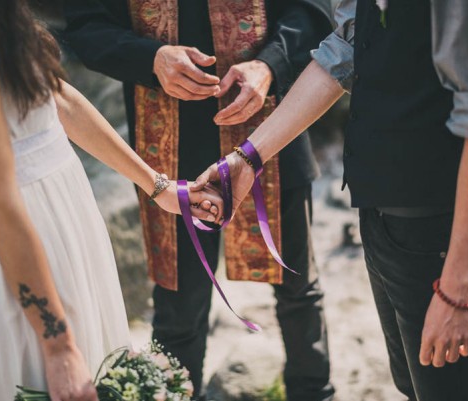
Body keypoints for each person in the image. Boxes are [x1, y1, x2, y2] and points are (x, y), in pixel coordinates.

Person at [193, 0, 468, 400]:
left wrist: (457, 290)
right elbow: (346, 48)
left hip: (442, 229)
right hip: (381, 217)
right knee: (413, 386)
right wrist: (249, 157)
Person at [0, 0, 222, 400]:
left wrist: (158, 186)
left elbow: (57, 101)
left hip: (71, 221)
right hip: (22, 238)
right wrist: (58, 344)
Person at [62, 1, 336, 400]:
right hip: (168, 150)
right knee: (178, 310)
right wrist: (150, 58)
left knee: (298, 291)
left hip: (273, 130)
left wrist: (271, 64)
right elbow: (85, 25)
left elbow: (312, 10)